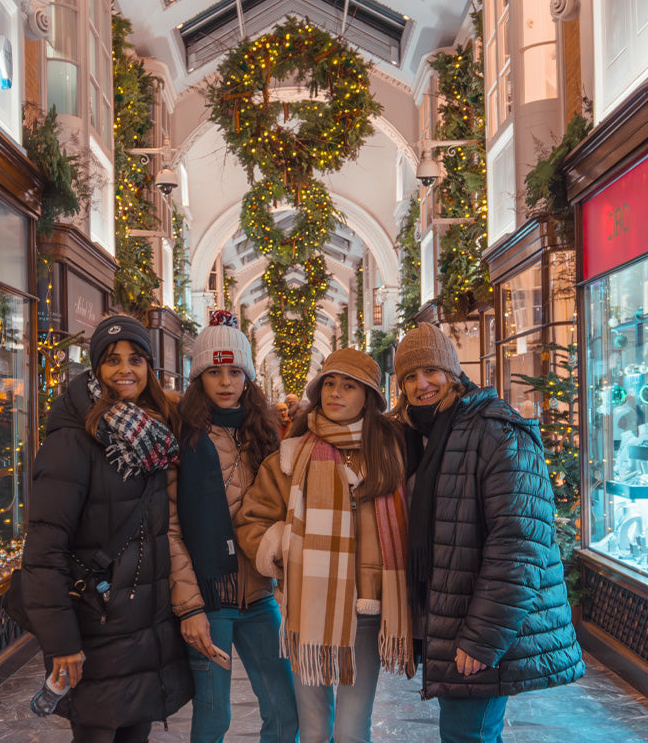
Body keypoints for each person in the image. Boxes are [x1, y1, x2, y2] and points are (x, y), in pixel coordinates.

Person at [394, 323, 583, 743]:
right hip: (451, 618)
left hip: (482, 626)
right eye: (409, 376)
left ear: (453, 372)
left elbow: (519, 546)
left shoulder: (496, 431)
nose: (421, 384)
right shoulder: (421, 437)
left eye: (430, 371)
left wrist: (482, 639)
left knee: (468, 735)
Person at [20, 315, 193, 743]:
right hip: (95, 627)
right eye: (112, 360)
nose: (125, 370)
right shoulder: (74, 439)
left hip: (144, 625)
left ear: (149, 366)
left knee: (136, 736)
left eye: (135, 358)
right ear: (96, 368)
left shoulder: (153, 431)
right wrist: (61, 642)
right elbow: (44, 550)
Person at [235, 348, 414, 743]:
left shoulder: (391, 452)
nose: (336, 393)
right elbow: (253, 520)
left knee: (352, 730)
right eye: (329, 384)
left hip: (368, 610)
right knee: (314, 729)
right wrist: (282, 546)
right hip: (307, 607)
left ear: (369, 395)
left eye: (349, 386)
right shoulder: (292, 454)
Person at [169, 311, 297, 743]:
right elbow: (170, 528)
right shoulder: (182, 438)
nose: (225, 382)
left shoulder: (263, 435)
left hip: (259, 594)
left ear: (248, 377)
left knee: (285, 712)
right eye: (214, 372)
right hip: (210, 599)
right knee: (213, 719)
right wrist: (189, 607)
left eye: (234, 371)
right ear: (199, 379)